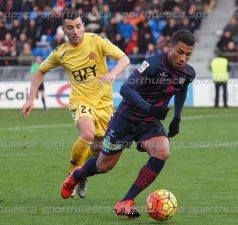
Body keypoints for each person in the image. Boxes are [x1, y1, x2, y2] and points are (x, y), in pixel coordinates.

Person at [60, 29, 196, 219]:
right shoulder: (153, 64)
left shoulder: (188, 73)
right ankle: (75, 176)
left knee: (162, 151)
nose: (183, 58)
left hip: (149, 123)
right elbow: (126, 88)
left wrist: (177, 118)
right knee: (104, 165)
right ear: (170, 47)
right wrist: (149, 108)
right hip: (126, 119)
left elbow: (182, 88)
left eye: (188, 54)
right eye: (180, 52)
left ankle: (126, 201)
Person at [22, 8, 130, 198]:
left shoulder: (96, 40)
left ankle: (82, 176)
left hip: (104, 104)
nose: (75, 31)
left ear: (83, 26)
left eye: (78, 26)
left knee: (98, 149)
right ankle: (72, 174)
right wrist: (31, 99)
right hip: (80, 100)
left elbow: (124, 58)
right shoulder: (61, 53)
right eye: (70, 27)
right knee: (87, 133)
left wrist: (113, 73)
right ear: (63, 29)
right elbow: (39, 72)